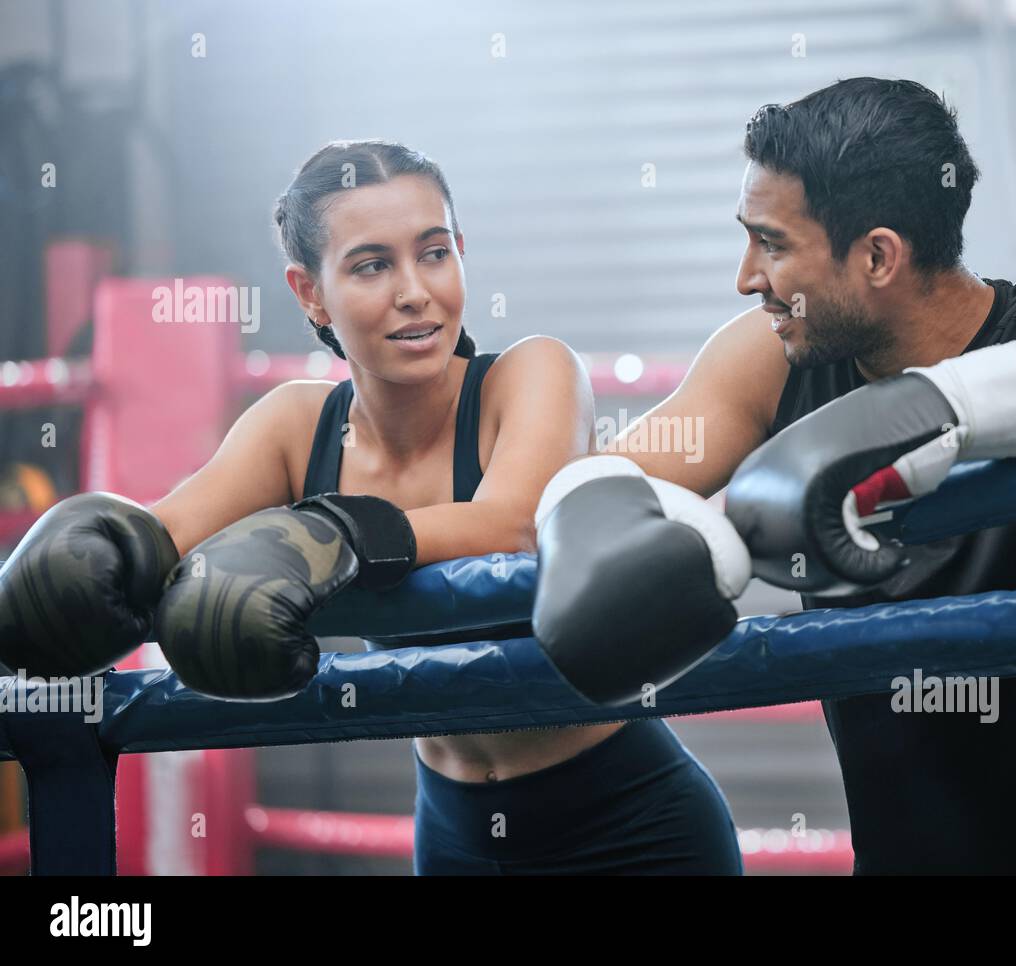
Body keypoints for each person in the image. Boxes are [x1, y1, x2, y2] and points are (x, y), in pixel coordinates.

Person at [533, 79, 1016, 874]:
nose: (745, 277)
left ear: (876, 256)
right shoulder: (769, 363)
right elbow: (604, 480)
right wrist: (649, 537)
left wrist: (935, 410)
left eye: (772, 244)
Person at [2, 140, 742, 875]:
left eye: (434, 253)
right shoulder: (297, 427)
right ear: (309, 292)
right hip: (456, 839)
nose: (414, 290)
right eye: (371, 265)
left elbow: (517, 523)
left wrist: (333, 532)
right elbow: (166, 531)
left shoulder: (527, 376)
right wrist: (96, 557)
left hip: (635, 826)